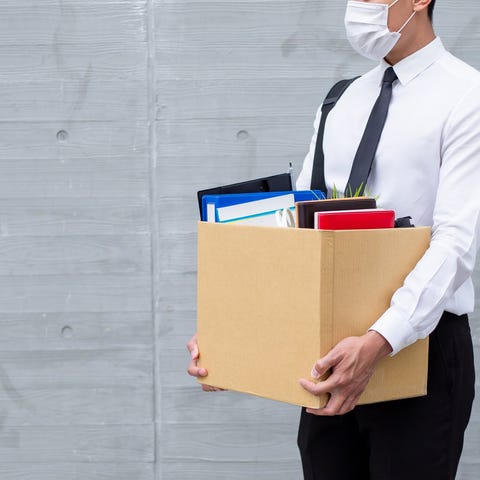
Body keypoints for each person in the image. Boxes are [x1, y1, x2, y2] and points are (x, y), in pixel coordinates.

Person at [188, 0, 479, 478]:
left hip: (416, 346)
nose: (356, 6)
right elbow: (297, 232)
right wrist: (233, 328)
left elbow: (455, 244)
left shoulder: (468, 96)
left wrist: (379, 340)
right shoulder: (341, 100)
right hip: (326, 346)